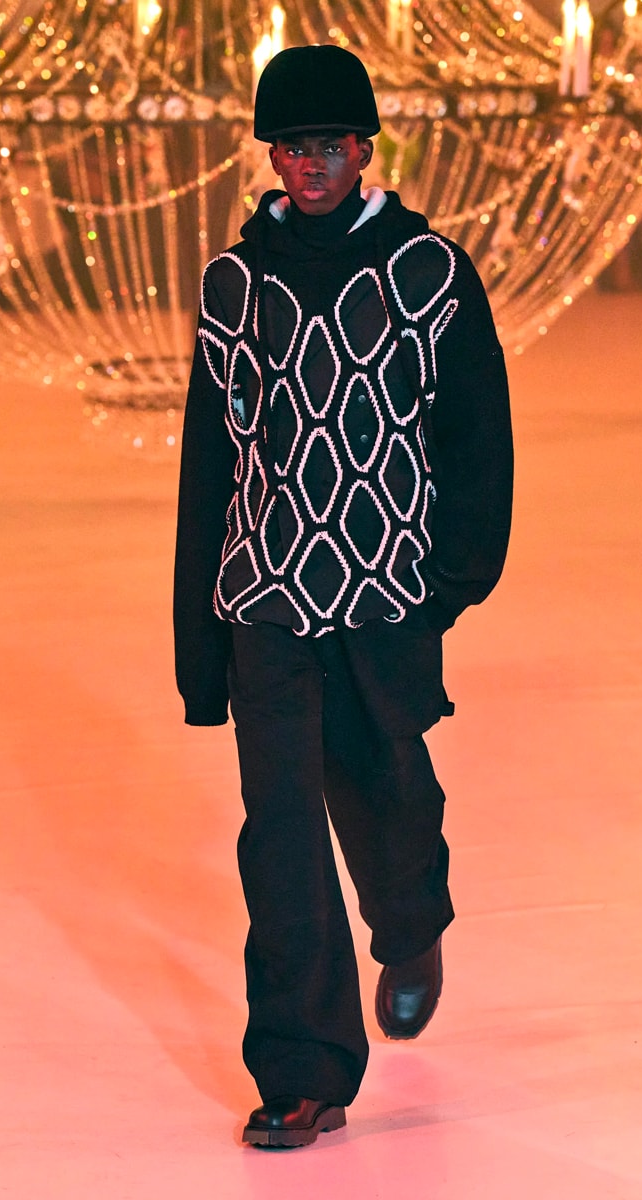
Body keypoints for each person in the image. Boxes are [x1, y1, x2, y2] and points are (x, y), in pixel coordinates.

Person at [173, 44, 513, 1149]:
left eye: (328, 144)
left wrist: (449, 579)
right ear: (271, 157)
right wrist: (199, 640)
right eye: (291, 147)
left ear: (364, 148)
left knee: (383, 787)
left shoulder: (426, 273)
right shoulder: (235, 285)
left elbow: (475, 433)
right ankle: (303, 1067)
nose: (310, 164)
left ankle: (409, 924)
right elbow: (209, 463)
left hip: (385, 594)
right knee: (278, 833)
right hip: (264, 596)